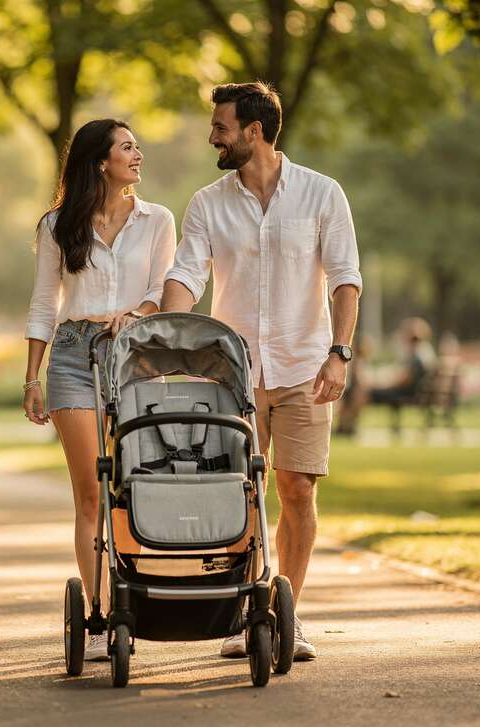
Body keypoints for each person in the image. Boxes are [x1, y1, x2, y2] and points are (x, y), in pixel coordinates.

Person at [160, 81, 362, 662]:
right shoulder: (207, 202)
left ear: (254, 131)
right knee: (238, 496)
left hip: (304, 366)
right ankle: (246, 611)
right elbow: (188, 275)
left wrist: (340, 353)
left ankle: (284, 615)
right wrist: (160, 325)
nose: (212, 136)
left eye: (221, 127)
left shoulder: (323, 195)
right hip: (233, 374)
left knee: (297, 489)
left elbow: (346, 279)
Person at [21, 119, 176, 662]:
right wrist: (31, 377)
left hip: (132, 353)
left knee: (128, 488)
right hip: (71, 355)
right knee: (91, 490)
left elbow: (162, 292)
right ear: (100, 161)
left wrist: (134, 314)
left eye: (137, 145)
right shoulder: (58, 224)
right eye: (127, 146)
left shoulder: (158, 220)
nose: (138, 153)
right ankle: (99, 608)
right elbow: (45, 303)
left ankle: (132, 597)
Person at [371, 318, 435, 406]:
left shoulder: (418, 356)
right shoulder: (426, 352)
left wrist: (380, 384)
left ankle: (350, 418)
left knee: (364, 392)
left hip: (408, 395)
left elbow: (404, 381)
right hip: (417, 394)